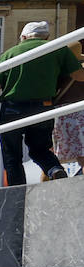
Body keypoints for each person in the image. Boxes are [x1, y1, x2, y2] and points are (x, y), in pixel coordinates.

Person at [0, 22, 84, 185]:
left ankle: (18, 192)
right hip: (43, 107)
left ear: (23, 37)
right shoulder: (57, 48)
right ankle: (54, 169)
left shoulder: (9, 54)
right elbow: (79, 75)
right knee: (40, 149)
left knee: (12, 155)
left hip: (12, 109)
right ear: (46, 37)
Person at [53, 42, 84, 172]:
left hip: (62, 114)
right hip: (80, 112)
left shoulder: (57, 71)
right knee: (83, 157)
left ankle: (50, 182)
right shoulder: (80, 70)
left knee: (53, 157)